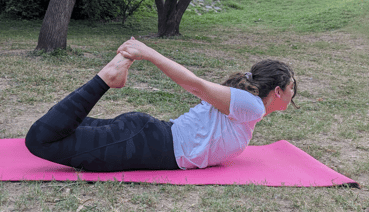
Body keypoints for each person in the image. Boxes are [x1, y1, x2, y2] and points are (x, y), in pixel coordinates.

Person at [25, 38, 297, 172]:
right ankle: (106, 78)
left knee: (59, 131)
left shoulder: (245, 108)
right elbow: (195, 85)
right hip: (147, 144)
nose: (294, 92)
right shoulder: (252, 106)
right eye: (292, 87)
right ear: (277, 90)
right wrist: (148, 53)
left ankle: (107, 78)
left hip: (147, 137)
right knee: (40, 140)